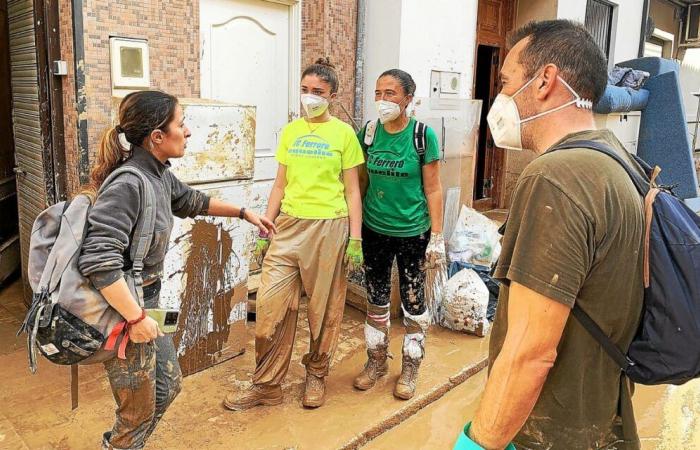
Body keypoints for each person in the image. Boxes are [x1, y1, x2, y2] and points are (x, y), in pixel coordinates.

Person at [453, 20, 645, 450]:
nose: (500, 98)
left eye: (505, 82)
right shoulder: (616, 158)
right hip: (603, 418)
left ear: (544, 81)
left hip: (554, 433)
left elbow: (530, 353)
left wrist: (476, 446)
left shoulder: (557, 176)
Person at [78, 90, 276, 450]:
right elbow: (99, 261)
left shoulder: (158, 174)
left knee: (168, 387)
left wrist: (244, 213)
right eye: (181, 125)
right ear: (157, 136)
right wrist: (135, 319)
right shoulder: (127, 184)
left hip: (150, 303)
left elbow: (191, 201)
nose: (187, 132)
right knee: (136, 412)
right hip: (123, 312)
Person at [223, 58, 364, 411]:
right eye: (305, 90)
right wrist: (264, 226)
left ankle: (316, 374)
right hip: (287, 225)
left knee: (323, 309)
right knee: (270, 306)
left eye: (318, 91)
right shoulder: (290, 132)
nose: (310, 97)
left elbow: (352, 191)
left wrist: (356, 239)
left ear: (333, 94)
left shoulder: (344, 134)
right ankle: (267, 385)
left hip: (329, 228)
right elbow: (280, 183)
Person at [352, 69, 444, 400]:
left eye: (390, 93)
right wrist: (354, 231)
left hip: (413, 233)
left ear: (408, 98)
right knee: (375, 298)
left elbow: (433, 189)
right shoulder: (370, 133)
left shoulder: (423, 136)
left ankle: (411, 364)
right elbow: (360, 183)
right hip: (374, 229)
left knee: (413, 301)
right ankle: (376, 362)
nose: (382, 100)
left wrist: (437, 235)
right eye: (378, 93)